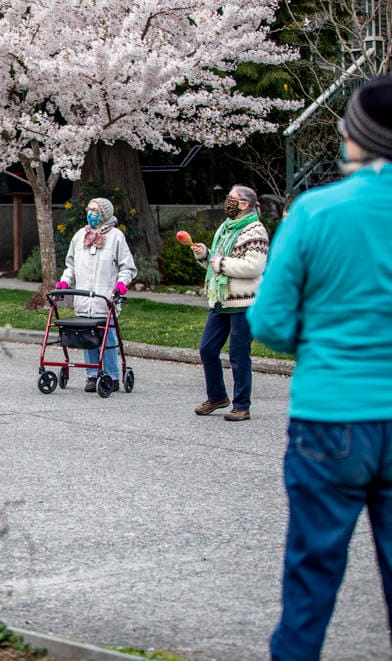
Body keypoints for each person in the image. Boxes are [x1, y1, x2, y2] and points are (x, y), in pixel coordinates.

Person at [248, 75, 392, 661]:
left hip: (329, 412)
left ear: (357, 138)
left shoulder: (315, 211)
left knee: (312, 573)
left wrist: (324, 337)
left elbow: (270, 322)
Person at [190, 185, 269, 421]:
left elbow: (254, 266)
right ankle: (217, 397)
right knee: (207, 349)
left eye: (232, 199)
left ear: (244, 204)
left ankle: (242, 405)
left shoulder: (255, 231)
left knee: (238, 353)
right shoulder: (226, 228)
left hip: (245, 302)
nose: (228, 203)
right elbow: (216, 261)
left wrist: (220, 263)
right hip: (222, 300)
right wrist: (205, 255)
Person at [55, 197, 137, 393]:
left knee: (107, 338)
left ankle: (112, 375)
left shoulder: (116, 237)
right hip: (84, 299)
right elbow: (71, 266)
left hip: (105, 298)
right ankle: (92, 375)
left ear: (105, 214)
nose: (91, 214)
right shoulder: (79, 236)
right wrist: (64, 282)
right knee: (87, 337)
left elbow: (127, 267)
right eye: (89, 210)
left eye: (95, 210)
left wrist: (120, 285)